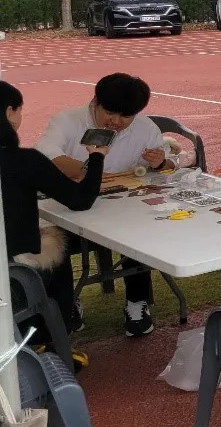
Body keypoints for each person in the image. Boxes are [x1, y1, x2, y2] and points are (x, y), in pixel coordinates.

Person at [36, 72, 170, 337]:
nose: (117, 122)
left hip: (121, 208)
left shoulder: (144, 127)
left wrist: (160, 162)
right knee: (50, 240)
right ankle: (67, 304)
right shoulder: (68, 120)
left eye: (126, 117)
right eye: (111, 113)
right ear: (95, 102)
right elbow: (47, 156)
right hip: (71, 209)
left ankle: (137, 302)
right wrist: (92, 172)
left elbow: (168, 163)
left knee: (139, 229)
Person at [2, 81, 105, 339]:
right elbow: (80, 199)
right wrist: (96, 156)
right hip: (14, 268)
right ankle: (55, 334)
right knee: (56, 246)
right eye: (20, 111)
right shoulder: (25, 161)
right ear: (8, 112)